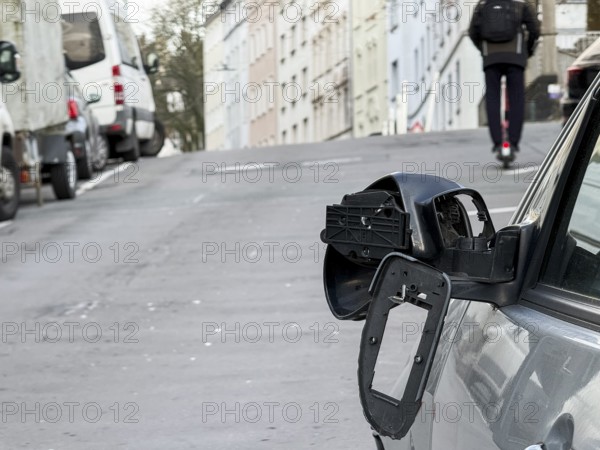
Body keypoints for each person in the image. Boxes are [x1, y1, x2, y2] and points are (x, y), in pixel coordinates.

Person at [469, 0, 540, 155]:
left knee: (492, 98)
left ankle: (497, 142)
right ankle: (513, 143)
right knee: (517, 99)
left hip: (491, 58)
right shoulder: (520, 4)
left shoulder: (482, 5)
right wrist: (526, 50)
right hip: (515, 57)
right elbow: (534, 29)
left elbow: (472, 32)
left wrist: (484, 50)